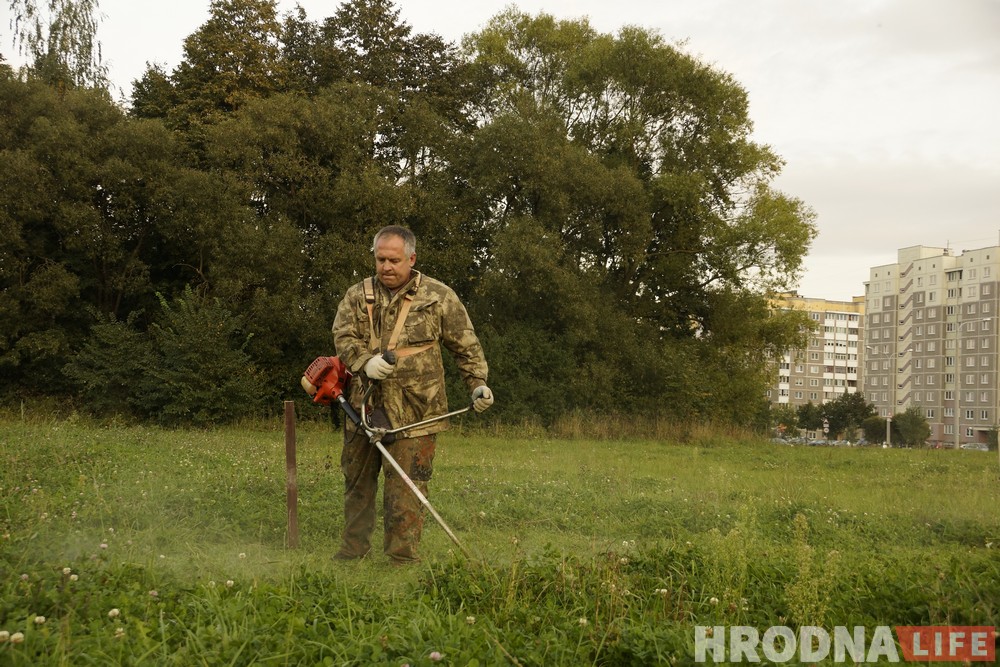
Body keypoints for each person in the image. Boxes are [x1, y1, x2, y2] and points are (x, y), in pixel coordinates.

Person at [331, 225, 493, 564]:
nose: (387, 267)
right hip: (363, 407)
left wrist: (477, 383)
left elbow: (466, 345)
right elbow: (343, 337)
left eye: (394, 260)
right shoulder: (356, 295)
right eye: (380, 260)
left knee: (407, 489)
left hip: (418, 413)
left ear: (412, 258)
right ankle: (353, 553)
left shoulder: (439, 296)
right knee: (357, 485)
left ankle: (402, 560)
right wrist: (364, 362)